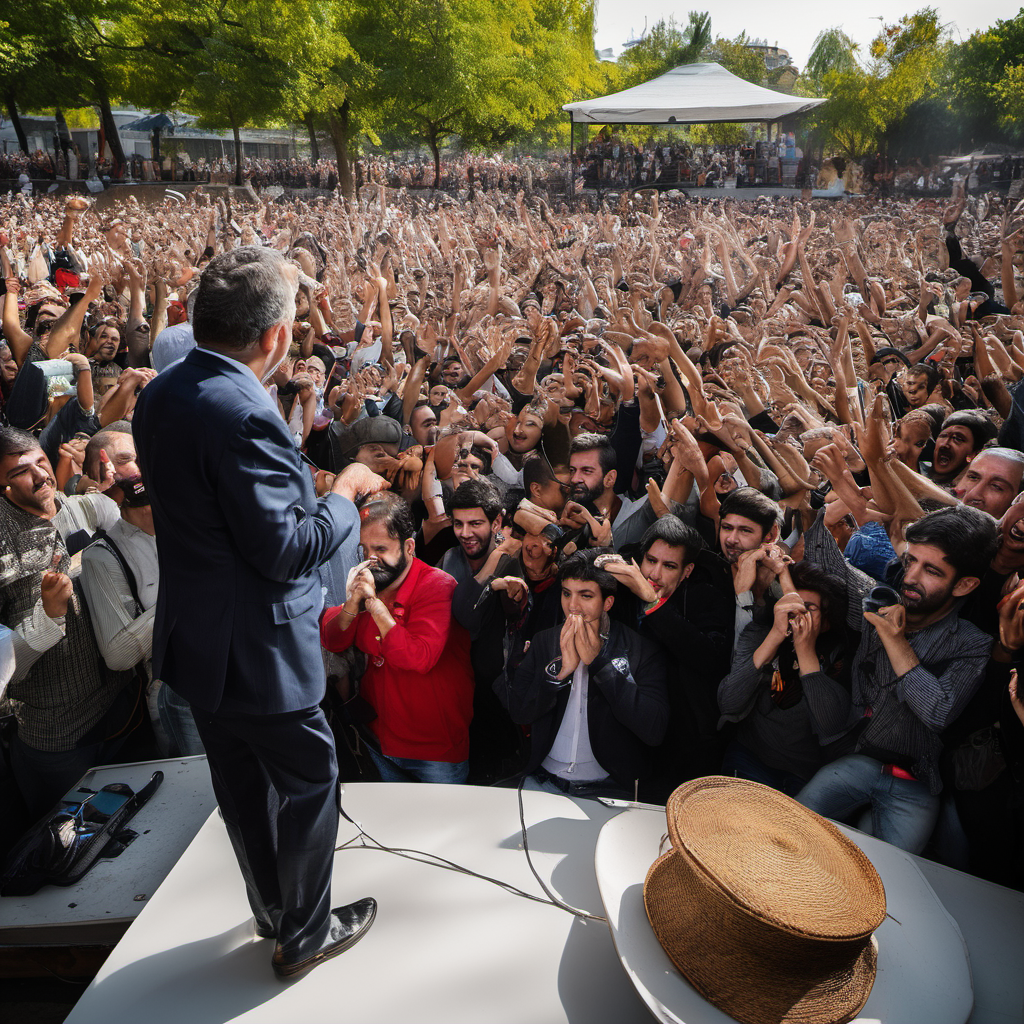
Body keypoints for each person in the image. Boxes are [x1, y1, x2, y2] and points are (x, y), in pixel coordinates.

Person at [133, 246, 385, 980]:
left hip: (198, 641)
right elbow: (286, 551)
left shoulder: (161, 393)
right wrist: (345, 494)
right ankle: (304, 935)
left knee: (240, 787)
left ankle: (273, 909)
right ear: (277, 337)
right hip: (259, 649)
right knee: (309, 779)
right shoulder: (247, 414)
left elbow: (214, 512)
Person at [797, 505, 998, 854]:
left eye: (931, 570)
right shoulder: (878, 599)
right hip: (852, 760)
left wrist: (895, 640)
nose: (910, 577)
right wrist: (829, 515)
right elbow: (832, 570)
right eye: (911, 561)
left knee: (894, 882)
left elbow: (938, 711)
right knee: (791, 830)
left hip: (915, 783)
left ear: (964, 584)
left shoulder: (972, 644)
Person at [320, 492, 476, 784]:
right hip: (377, 739)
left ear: (409, 547)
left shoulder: (437, 585)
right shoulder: (369, 584)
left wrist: (375, 607)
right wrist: (353, 603)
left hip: (434, 753)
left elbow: (418, 657)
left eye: (381, 548)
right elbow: (332, 640)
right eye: (363, 550)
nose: (371, 560)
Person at [496, 550, 669, 800]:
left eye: (585, 596)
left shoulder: (639, 649)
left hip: (608, 788)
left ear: (607, 603)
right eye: (567, 594)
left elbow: (654, 729)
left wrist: (599, 665)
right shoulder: (545, 640)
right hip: (543, 779)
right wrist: (558, 673)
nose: (573, 606)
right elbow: (520, 711)